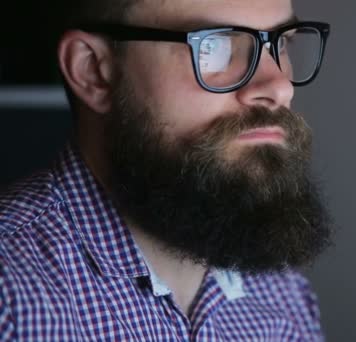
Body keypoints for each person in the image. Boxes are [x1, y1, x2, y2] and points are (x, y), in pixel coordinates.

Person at [0, 0, 333, 340]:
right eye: (216, 44)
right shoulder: (11, 301)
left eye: (282, 42)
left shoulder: (282, 294)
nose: (279, 86)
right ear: (93, 70)